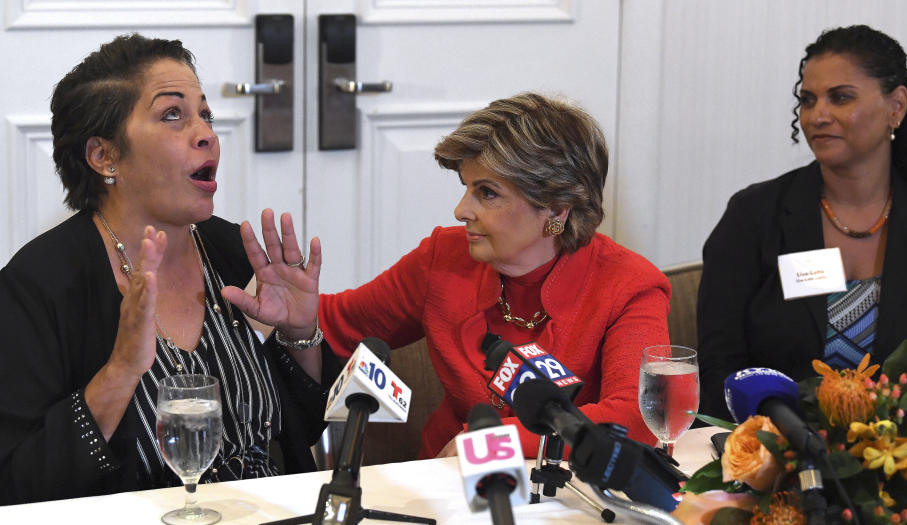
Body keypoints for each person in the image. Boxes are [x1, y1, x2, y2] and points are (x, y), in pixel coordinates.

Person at [233, 93, 672, 458]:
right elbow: (338, 325)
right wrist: (294, 316)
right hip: (447, 493)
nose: (462, 210)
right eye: (466, 187)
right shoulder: (444, 257)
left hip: (569, 502)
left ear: (556, 209)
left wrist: (492, 444)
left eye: (487, 193)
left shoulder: (629, 286)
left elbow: (636, 418)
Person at [0, 34, 337, 505]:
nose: (205, 133)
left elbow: (300, 432)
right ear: (105, 156)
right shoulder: (40, 286)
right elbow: (18, 486)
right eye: (172, 115)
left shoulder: (232, 252)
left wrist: (300, 336)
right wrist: (120, 371)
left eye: (205, 114)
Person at [697, 25, 907, 420]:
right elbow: (718, 366)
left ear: (897, 106)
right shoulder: (753, 217)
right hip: (775, 450)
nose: (817, 115)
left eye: (840, 98)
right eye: (808, 99)